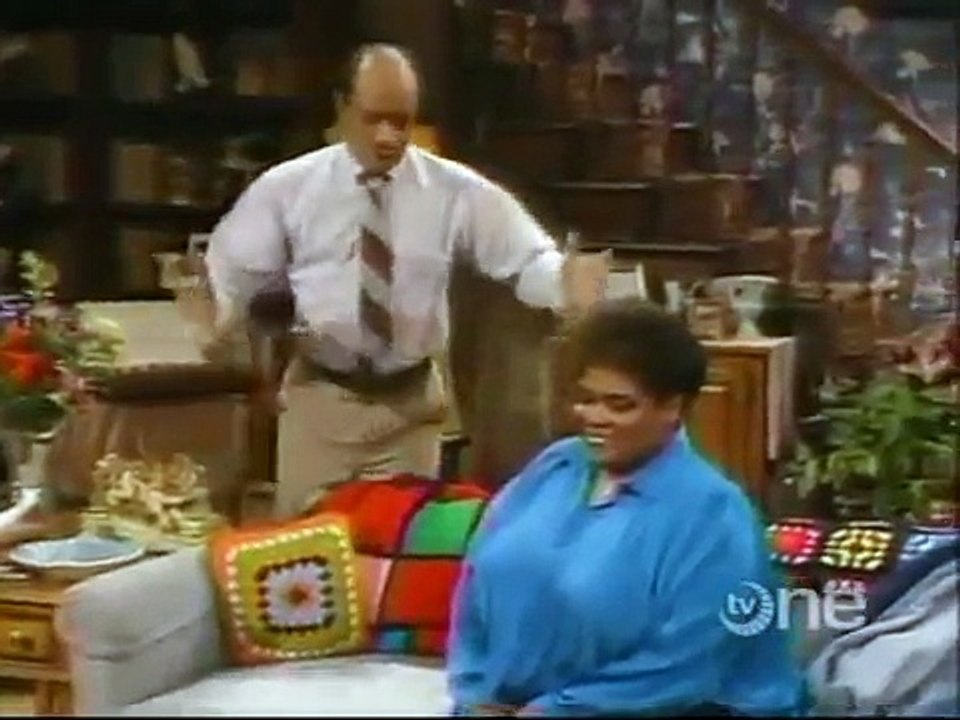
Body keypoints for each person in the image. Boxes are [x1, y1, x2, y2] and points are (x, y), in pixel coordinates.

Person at [199, 43, 608, 518]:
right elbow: (231, 274)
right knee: (308, 552)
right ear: (342, 108)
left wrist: (564, 284)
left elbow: (528, 258)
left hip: (409, 411)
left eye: (402, 121)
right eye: (374, 119)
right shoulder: (287, 188)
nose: (388, 136)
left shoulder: (454, 190)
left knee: (403, 546)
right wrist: (213, 315)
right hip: (320, 406)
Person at [447, 299, 807, 717]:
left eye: (619, 405)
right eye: (586, 399)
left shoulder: (714, 516)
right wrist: (475, 691)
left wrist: (553, 711)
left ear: (672, 408)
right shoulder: (555, 466)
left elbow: (685, 667)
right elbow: (478, 577)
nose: (595, 417)